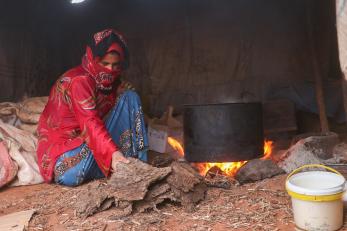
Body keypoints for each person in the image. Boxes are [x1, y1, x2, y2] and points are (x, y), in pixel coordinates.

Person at [36, 29, 148, 186]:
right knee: (70, 175)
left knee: (130, 97)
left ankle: (139, 165)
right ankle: (122, 163)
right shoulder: (79, 80)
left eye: (115, 65)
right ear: (92, 58)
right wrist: (113, 155)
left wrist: (118, 95)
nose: (110, 69)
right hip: (65, 154)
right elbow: (90, 123)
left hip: (92, 145)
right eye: (105, 63)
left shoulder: (111, 84)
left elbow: (108, 118)